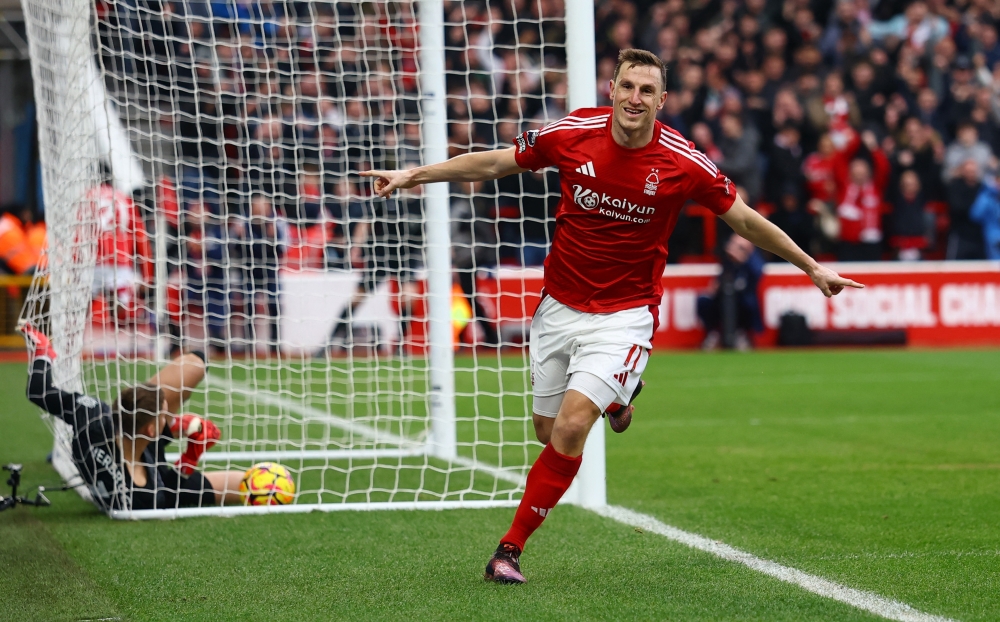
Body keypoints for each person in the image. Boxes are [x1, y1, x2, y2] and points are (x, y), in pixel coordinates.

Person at [360, 48, 862, 584]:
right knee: (547, 431)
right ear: (612, 90)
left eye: (647, 91)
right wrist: (416, 174)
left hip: (625, 314)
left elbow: (742, 219)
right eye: (628, 87)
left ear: (661, 100)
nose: (635, 98)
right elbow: (494, 162)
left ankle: (509, 550)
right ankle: (621, 394)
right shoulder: (571, 133)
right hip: (558, 307)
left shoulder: (683, 161)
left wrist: (810, 267)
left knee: (573, 426)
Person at [20, 322, 246, 512]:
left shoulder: (92, 416)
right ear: (152, 430)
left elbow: (39, 391)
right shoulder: (147, 494)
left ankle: (161, 418)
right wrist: (190, 456)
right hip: (158, 473)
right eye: (165, 415)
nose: (169, 415)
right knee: (250, 485)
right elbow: (172, 488)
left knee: (195, 361)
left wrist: (42, 351)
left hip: (133, 442)